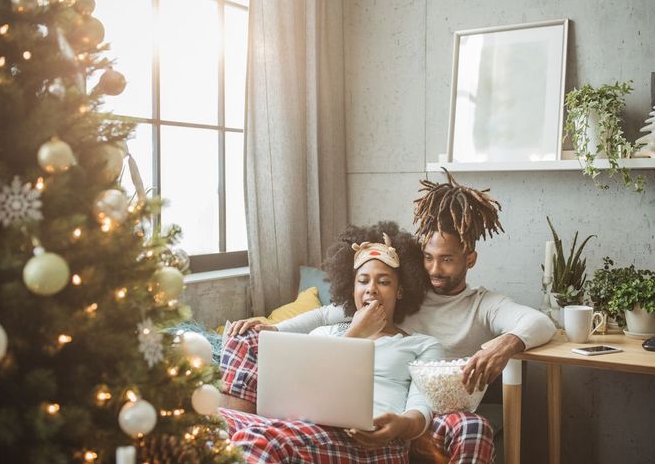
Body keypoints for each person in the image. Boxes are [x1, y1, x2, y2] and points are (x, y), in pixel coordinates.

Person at [227, 170, 556, 464]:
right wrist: (273, 328)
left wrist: (506, 343)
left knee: (472, 425)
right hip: (333, 413)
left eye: (446, 260)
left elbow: (540, 323)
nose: (434, 269)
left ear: (470, 258)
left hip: (428, 410)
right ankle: (237, 428)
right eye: (428, 257)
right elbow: (329, 312)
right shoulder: (399, 297)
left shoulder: (481, 306)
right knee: (247, 341)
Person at [219, 224, 445, 463]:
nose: (371, 289)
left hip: (373, 443)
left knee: (259, 437)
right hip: (305, 429)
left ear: (399, 291)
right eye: (363, 281)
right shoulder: (324, 334)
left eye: (384, 282)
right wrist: (356, 334)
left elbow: (421, 410)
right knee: (213, 424)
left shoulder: (421, 345)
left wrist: (401, 424)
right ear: (352, 288)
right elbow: (303, 388)